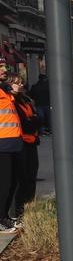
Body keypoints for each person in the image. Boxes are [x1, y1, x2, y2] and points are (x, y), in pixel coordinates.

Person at [9, 75, 39, 221]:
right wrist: (32, 121)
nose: (20, 85)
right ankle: (17, 211)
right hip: (19, 143)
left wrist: (33, 121)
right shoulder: (11, 101)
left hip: (32, 141)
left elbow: (38, 118)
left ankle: (29, 207)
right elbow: (24, 123)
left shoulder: (26, 99)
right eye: (16, 83)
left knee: (31, 176)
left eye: (21, 83)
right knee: (21, 178)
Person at [0, 70, 22, 232]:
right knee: (5, 183)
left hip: (13, 145)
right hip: (2, 147)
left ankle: (4, 216)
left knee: (12, 182)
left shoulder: (9, 97)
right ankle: (1, 219)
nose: (20, 84)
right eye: (17, 82)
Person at [30, 70, 50, 135]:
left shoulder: (35, 86)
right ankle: (49, 129)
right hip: (47, 103)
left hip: (38, 104)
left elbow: (31, 95)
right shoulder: (48, 86)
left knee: (41, 118)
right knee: (48, 117)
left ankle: (41, 130)